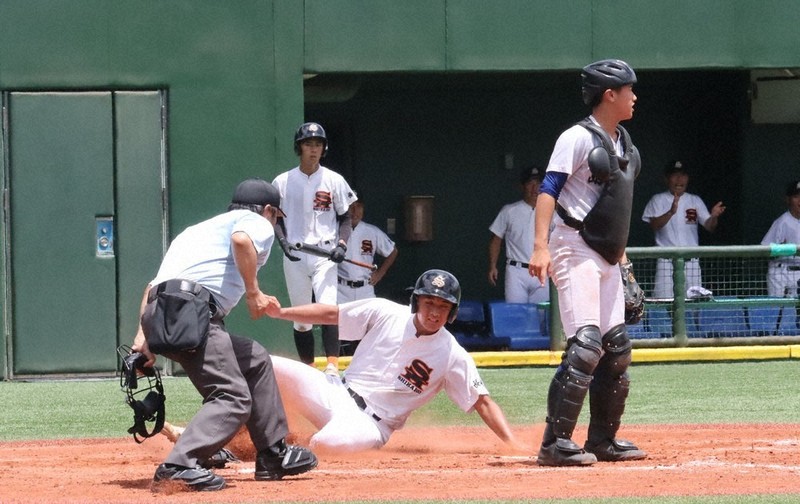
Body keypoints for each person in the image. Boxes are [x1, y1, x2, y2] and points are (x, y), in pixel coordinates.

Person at [130, 178, 318, 492]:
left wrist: (143, 338)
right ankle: (179, 465)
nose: (274, 223)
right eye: (276, 216)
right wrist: (253, 293)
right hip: (191, 313)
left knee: (254, 358)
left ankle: (273, 454)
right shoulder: (255, 222)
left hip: (165, 312)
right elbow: (242, 240)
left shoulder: (196, 231)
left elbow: (153, 286)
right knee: (232, 396)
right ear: (268, 210)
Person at [528, 59, 647, 466]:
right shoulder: (576, 137)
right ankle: (554, 443)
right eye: (629, 90)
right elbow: (549, 190)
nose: (634, 96)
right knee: (586, 345)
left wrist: (625, 268)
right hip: (572, 245)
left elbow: (616, 212)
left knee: (617, 348)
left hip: (606, 254)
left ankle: (602, 440)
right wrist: (539, 246)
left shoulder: (623, 142)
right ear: (609, 95)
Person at [263, 269, 526, 454]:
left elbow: (482, 402)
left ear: (452, 312)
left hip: (369, 425)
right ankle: (242, 430)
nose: (434, 312)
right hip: (334, 391)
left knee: (326, 443)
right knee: (265, 364)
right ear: (416, 302)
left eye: (443, 306)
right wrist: (281, 313)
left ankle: (288, 451)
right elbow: (331, 314)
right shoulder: (385, 312)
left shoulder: (452, 355)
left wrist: (512, 444)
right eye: (429, 302)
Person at [272, 122, 358, 372]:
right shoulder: (282, 181)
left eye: (318, 144)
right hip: (296, 254)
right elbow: (275, 218)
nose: (313, 149)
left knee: (328, 309)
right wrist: (283, 243)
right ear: (299, 148)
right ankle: (309, 368)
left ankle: (332, 367)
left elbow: (345, 218)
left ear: (324, 148)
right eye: (308, 144)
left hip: (325, 254)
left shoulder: (334, 179)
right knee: (301, 318)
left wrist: (342, 245)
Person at [641, 160, 726, 298]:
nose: (679, 179)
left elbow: (709, 226)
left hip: (691, 262)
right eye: (675, 175)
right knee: (663, 300)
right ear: (666, 178)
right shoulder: (657, 199)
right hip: (666, 262)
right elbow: (654, 225)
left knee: (694, 302)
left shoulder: (694, 200)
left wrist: (714, 216)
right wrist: (671, 212)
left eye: (683, 175)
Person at [488, 165, 550, 304]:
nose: (535, 188)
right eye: (530, 183)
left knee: (541, 313)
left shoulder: (552, 212)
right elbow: (496, 239)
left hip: (542, 269)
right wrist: (493, 266)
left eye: (539, 184)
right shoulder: (509, 211)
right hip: (516, 270)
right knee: (515, 311)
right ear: (522, 186)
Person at [337, 198, 399, 304]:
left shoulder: (371, 231)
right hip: (340, 288)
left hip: (365, 289)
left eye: (358, 206)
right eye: (351, 206)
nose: (355, 211)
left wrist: (380, 274)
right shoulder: (335, 230)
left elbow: (393, 251)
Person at [762, 180, 800, 298]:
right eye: (796, 197)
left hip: (798, 274)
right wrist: (781, 249)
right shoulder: (782, 222)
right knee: (780, 308)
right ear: (788, 200)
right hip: (782, 273)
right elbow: (763, 250)